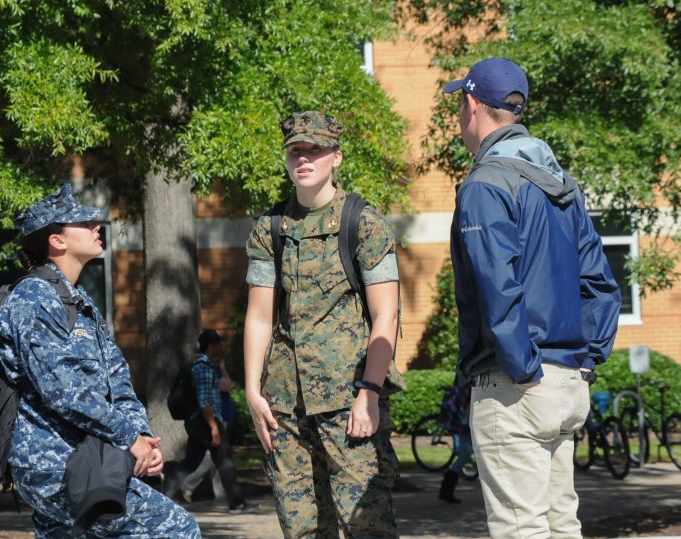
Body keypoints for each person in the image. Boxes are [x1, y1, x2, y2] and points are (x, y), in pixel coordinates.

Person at [443, 58, 622, 537]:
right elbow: (600, 283)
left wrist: (524, 368)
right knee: (561, 523)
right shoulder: (563, 186)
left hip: (518, 384)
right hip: (566, 382)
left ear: (473, 104)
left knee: (521, 529)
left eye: (461, 104)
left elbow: (497, 288)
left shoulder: (485, 185)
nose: (460, 118)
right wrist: (587, 361)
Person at [0, 183, 200, 538]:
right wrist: (126, 437)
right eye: (84, 224)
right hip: (55, 463)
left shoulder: (78, 301)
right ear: (57, 241)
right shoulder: (32, 300)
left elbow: (118, 380)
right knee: (177, 529)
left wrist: (142, 440)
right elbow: (64, 392)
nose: (96, 228)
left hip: (89, 459)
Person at [244, 110, 406, 538]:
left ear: (336, 157)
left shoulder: (363, 224)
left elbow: (387, 315)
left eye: (314, 150)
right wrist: (252, 390)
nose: (304, 159)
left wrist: (370, 392)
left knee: (366, 525)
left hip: (349, 400)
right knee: (302, 530)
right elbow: (260, 315)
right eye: (295, 151)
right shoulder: (271, 229)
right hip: (285, 405)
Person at [164, 329, 248, 512]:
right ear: (211, 346)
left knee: (191, 461)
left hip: (199, 422)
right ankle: (237, 503)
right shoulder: (202, 368)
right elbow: (204, 401)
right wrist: (214, 428)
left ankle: (164, 498)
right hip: (206, 421)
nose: (221, 346)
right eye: (218, 343)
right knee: (225, 461)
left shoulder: (206, 365)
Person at [180, 354, 235, 504]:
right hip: (215, 417)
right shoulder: (208, 369)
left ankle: (221, 494)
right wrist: (222, 367)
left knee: (221, 458)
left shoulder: (209, 368)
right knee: (213, 457)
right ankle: (187, 484)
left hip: (221, 416)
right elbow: (227, 385)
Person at [437, 381, 472, 504]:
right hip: (467, 413)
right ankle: (446, 490)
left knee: (465, 451)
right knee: (466, 452)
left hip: (464, 412)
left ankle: (446, 490)